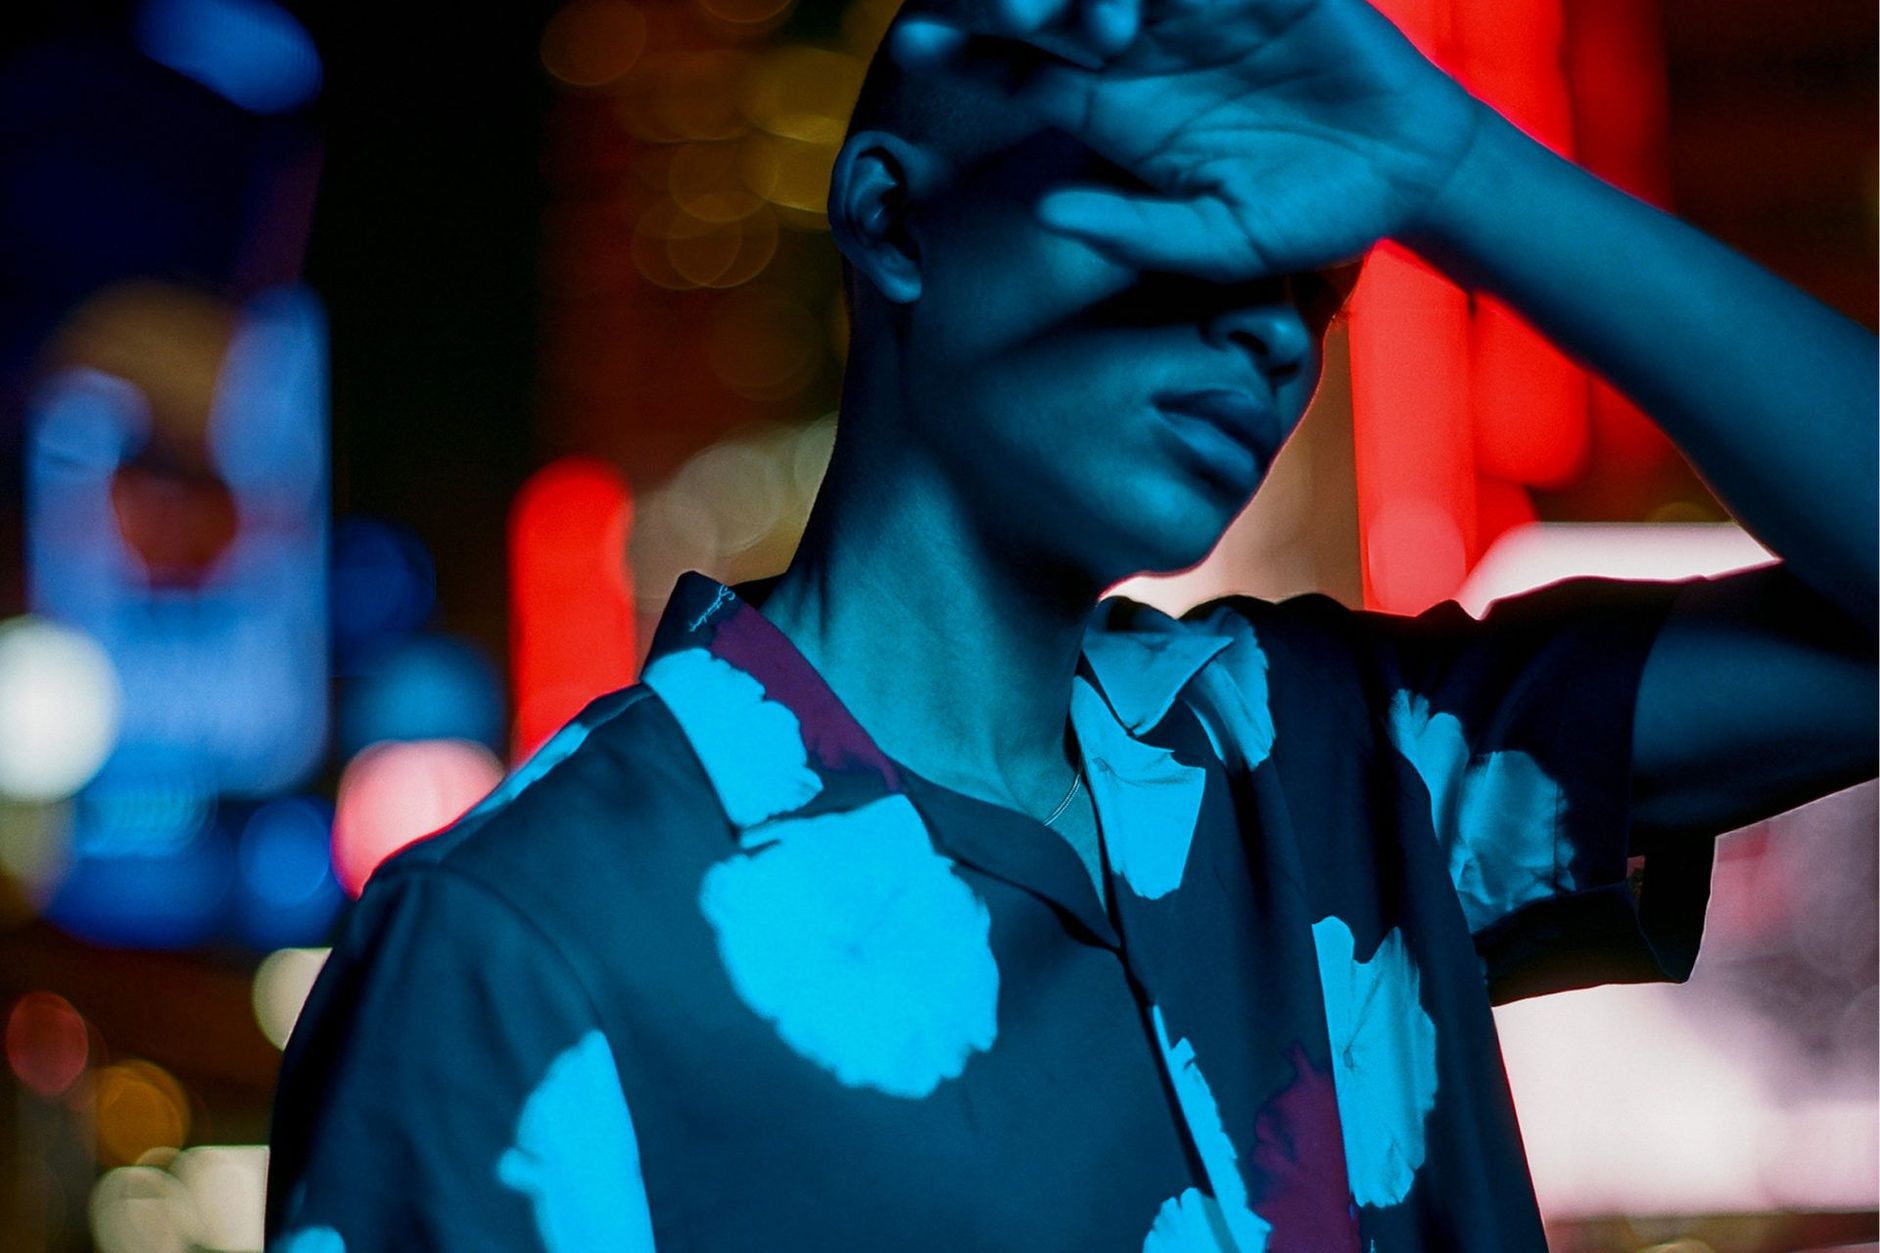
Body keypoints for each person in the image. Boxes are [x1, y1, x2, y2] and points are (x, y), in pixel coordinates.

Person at [264, 0, 1878, 1248]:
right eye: (1198, 208)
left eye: (1319, 284)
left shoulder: (1336, 759)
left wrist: (1459, 167)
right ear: (896, 221)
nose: (1271, 333)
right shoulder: (516, 945)